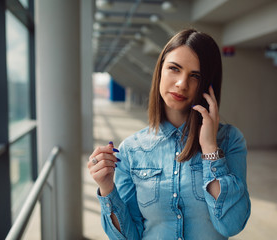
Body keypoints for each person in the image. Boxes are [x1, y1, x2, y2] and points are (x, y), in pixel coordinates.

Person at [88, 28, 251, 240]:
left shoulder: (229, 140)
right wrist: (107, 187)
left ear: (207, 85)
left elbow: (231, 225)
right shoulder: (130, 150)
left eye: (195, 76)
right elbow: (128, 237)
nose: (182, 83)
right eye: (174, 68)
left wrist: (210, 149)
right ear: (160, 70)